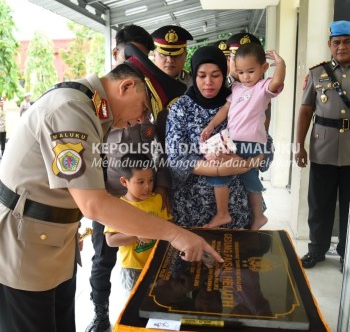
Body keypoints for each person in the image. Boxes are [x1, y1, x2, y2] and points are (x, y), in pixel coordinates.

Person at [0, 42, 223, 332]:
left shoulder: (89, 107)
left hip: (53, 240)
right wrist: (175, 234)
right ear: (127, 86)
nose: (142, 120)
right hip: (25, 246)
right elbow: (94, 203)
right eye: (144, 110)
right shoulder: (71, 109)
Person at [85, 24, 169, 332]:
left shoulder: (146, 100)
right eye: (131, 55)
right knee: (103, 258)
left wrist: (159, 186)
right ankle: (100, 313)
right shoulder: (93, 101)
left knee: (148, 254)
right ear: (116, 52)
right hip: (104, 195)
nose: (137, 64)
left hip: (143, 194)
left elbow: (161, 149)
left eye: (144, 58)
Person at [166, 45, 271, 229]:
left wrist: (249, 162)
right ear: (193, 75)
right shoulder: (181, 108)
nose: (208, 82)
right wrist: (219, 171)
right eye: (202, 75)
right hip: (193, 209)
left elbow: (266, 144)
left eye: (215, 75)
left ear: (224, 74)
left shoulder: (241, 98)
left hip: (239, 207)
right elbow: (176, 159)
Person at [200, 43, 285, 229]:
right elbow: (225, 109)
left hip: (251, 143)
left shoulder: (263, 88)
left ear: (263, 68)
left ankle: (223, 214)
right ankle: (258, 216)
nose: (245, 76)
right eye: (241, 72)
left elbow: (277, 83)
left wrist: (281, 64)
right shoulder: (237, 88)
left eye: (251, 71)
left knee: (221, 170)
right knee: (248, 177)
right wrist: (211, 125)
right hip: (234, 141)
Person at [295, 20, 350, 272]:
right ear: (329, 45)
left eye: (347, 41)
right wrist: (299, 145)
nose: (342, 46)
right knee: (319, 203)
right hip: (323, 148)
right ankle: (316, 249)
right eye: (337, 42)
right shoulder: (318, 73)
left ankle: (345, 253)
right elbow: (306, 110)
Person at [104, 153, 172, 300]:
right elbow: (111, 240)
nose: (147, 187)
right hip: (133, 268)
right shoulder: (118, 207)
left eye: (151, 180)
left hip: (158, 264)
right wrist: (136, 235)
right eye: (140, 182)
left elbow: (168, 226)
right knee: (135, 305)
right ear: (124, 181)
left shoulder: (158, 200)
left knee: (158, 302)